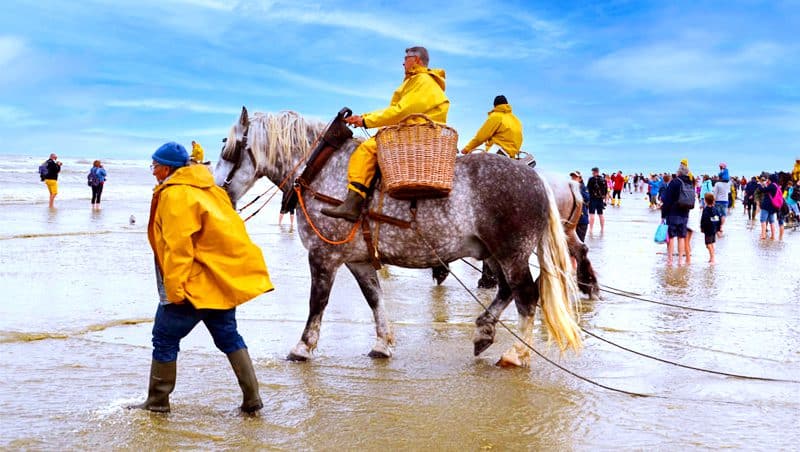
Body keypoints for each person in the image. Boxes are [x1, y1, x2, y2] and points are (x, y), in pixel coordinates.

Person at [130, 142, 274, 414]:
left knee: (163, 338)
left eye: (155, 166)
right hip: (218, 281)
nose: (152, 172)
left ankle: (157, 402)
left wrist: (174, 291)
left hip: (191, 284)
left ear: (167, 168)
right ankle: (252, 398)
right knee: (229, 337)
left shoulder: (176, 195)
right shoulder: (211, 190)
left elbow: (178, 247)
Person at [322, 46, 449, 221]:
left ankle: (353, 204)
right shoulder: (419, 81)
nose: (403, 62)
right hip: (415, 130)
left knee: (366, 150)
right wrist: (364, 117)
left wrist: (366, 121)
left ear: (417, 60)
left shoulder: (422, 80)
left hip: (413, 133)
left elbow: (400, 112)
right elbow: (397, 111)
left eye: (406, 58)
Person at [661, 159, 693, 265]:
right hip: (685, 213)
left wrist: (663, 214)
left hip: (673, 213)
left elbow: (667, 199)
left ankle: (670, 260)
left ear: (679, 172)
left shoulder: (675, 182)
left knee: (671, 237)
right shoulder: (689, 182)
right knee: (681, 237)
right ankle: (680, 260)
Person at [700, 193, 720, 263]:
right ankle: (711, 257)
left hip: (708, 230)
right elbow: (718, 219)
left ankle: (712, 258)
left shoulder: (706, 210)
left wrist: (702, 227)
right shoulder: (715, 209)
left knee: (708, 244)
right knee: (710, 243)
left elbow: (703, 220)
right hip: (713, 229)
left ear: (705, 200)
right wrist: (718, 229)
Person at [759, 174, 780, 240]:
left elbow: (763, 190)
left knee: (763, 220)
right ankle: (773, 236)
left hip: (766, 205)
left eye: (768, 179)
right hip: (773, 206)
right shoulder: (776, 186)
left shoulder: (772, 185)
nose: (767, 180)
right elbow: (768, 190)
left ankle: (763, 235)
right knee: (772, 221)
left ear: (771, 179)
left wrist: (759, 184)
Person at [586, 167, 607, 235]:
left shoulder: (591, 179)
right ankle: (602, 229)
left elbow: (588, 189)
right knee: (601, 214)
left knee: (592, 214)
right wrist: (604, 199)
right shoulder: (603, 179)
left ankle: (591, 229)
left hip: (593, 199)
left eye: (592, 172)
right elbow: (606, 191)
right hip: (600, 199)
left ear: (594, 172)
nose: (592, 173)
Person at [570, 170, 589, 242]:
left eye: (575, 177)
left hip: (582, 220)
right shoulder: (569, 188)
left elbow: (587, 198)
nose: (573, 179)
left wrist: (577, 190)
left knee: (580, 242)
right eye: (572, 177)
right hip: (571, 220)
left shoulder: (583, 188)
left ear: (580, 179)